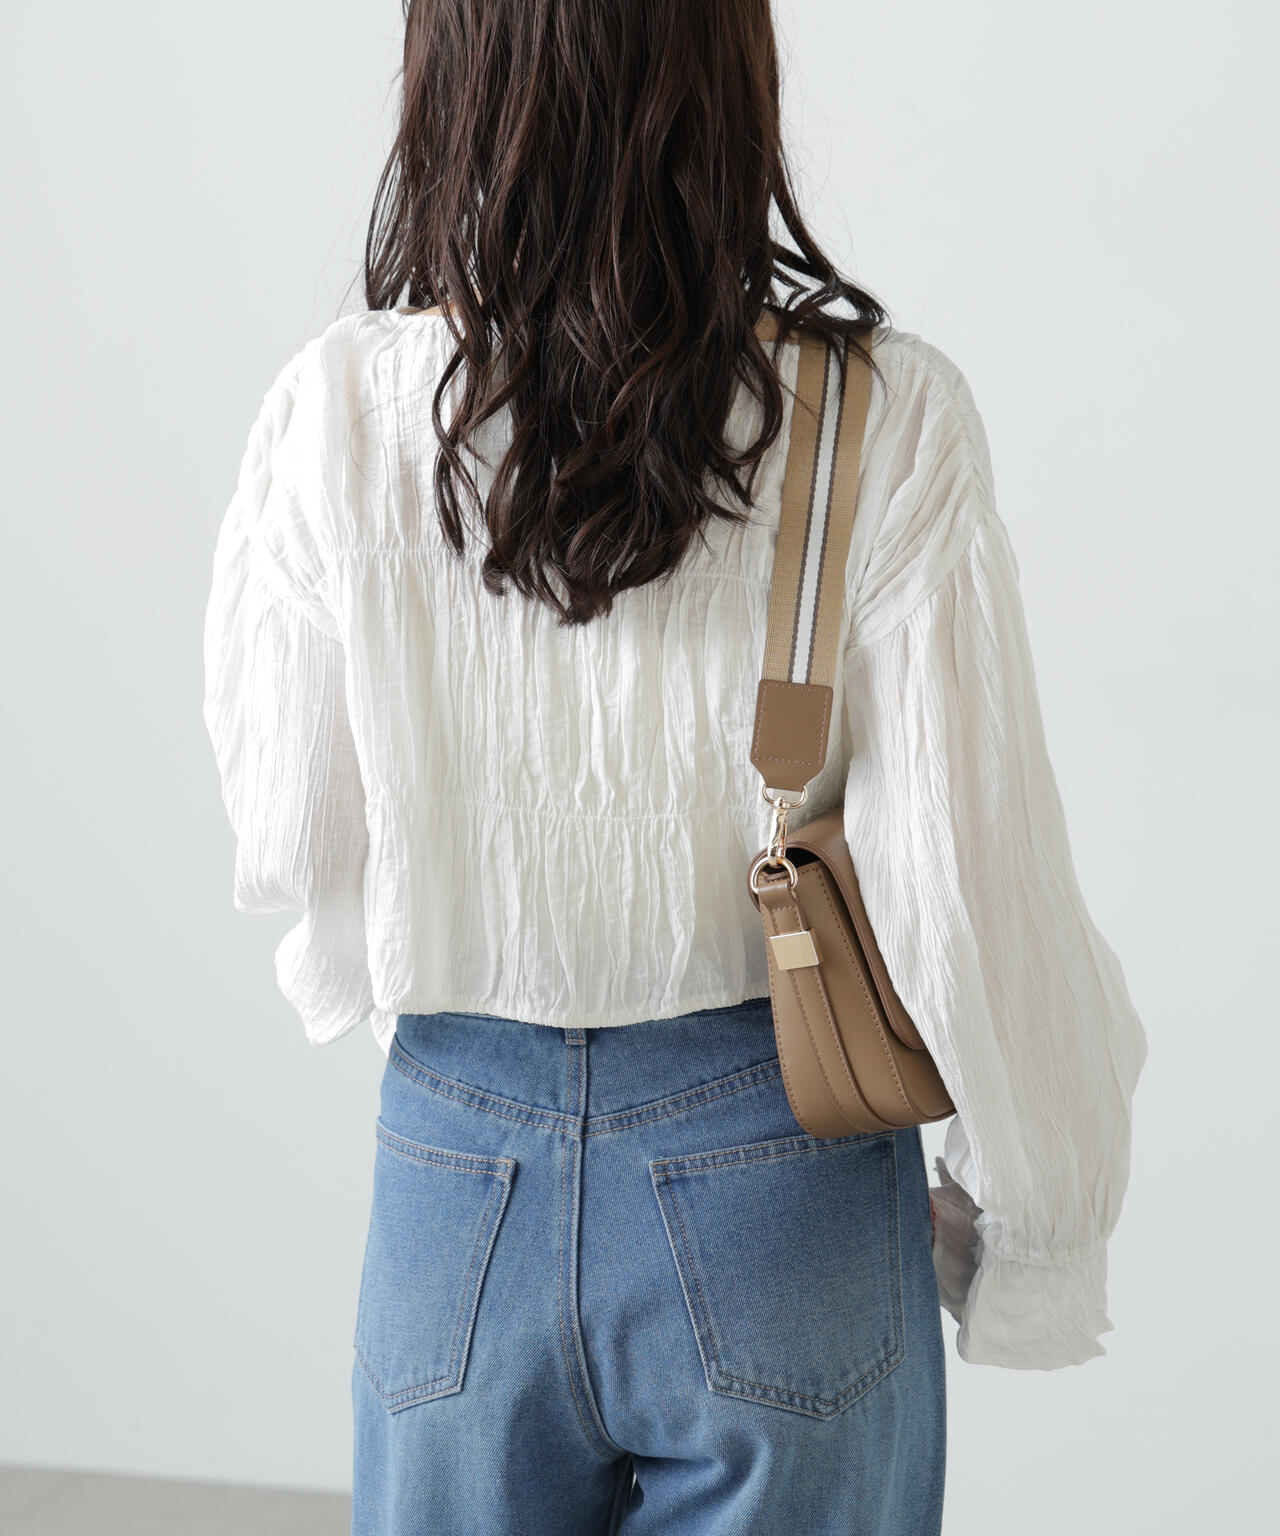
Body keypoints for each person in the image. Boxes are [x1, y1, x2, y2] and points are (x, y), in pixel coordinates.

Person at [200, 2, 1147, 1532]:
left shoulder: (335, 412)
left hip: (458, 1170)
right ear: (727, 74)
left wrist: (458, 1009)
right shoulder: (876, 417)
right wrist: (1037, 1232)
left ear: (452, 75)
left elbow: (290, 833)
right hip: (781, 1165)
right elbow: (971, 897)